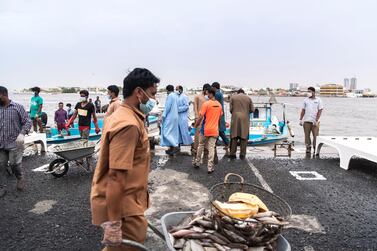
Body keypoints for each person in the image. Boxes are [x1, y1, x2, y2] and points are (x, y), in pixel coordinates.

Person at [90, 68, 159, 251]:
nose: (152, 100)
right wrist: (114, 223)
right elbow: (116, 176)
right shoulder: (128, 124)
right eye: (151, 94)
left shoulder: (121, 115)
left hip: (126, 202)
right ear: (138, 92)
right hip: (125, 208)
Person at [0, 86, 32, 190]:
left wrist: (22, 133)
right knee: (1, 165)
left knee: (14, 165)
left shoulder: (17, 107)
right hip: (1, 143)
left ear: (4, 95)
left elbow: (28, 121)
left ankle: (20, 178)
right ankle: (2, 187)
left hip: (15, 143)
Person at [193, 87, 223, 173]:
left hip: (205, 129)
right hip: (214, 130)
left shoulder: (206, 104)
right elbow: (220, 116)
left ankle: (197, 162)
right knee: (211, 148)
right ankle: (210, 167)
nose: (207, 95)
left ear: (210, 94)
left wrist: (196, 125)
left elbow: (200, 117)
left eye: (208, 93)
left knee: (201, 145)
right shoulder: (219, 105)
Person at [229, 89, 254, 159]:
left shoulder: (233, 98)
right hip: (245, 119)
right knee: (244, 137)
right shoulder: (248, 98)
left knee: (234, 137)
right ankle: (242, 154)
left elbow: (231, 109)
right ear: (243, 92)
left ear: (237, 92)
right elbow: (252, 110)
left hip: (235, 119)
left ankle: (232, 153)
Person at [299, 87, 323, 154]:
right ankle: (308, 148)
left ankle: (315, 148)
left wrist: (316, 120)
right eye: (308, 91)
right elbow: (303, 110)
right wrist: (301, 119)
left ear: (313, 92)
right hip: (306, 120)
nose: (308, 93)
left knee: (316, 136)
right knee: (307, 135)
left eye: (309, 91)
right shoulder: (305, 100)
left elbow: (320, 110)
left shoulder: (318, 100)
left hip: (315, 121)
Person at [192, 84, 211, 161]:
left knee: (206, 136)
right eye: (207, 90)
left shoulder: (208, 97)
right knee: (198, 136)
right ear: (204, 89)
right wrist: (196, 117)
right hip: (199, 119)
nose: (207, 92)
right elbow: (195, 107)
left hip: (207, 120)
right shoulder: (197, 96)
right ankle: (196, 151)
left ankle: (206, 151)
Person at [160, 85, 179, 155]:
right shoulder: (176, 96)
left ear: (167, 90)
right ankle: (171, 148)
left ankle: (175, 146)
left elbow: (167, 107)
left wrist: (163, 116)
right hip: (175, 116)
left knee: (166, 132)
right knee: (172, 133)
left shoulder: (170, 96)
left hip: (170, 117)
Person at [212, 82, 229, 154]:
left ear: (215, 87)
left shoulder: (217, 94)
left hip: (218, 114)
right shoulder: (220, 93)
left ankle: (228, 143)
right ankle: (226, 144)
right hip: (220, 113)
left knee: (219, 131)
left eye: (212, 87)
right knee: (219, 130)